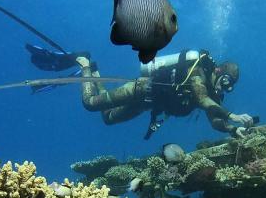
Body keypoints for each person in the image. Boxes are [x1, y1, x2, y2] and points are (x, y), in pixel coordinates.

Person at [75, 50, 255, 139]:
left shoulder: (212, 96)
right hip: (140, 89)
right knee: (90, 103)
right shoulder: (198, 71)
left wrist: (232, 129)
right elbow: (201, 99)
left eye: (230, 86)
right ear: (218, 70)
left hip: (147, 104)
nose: (225, 88)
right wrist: (233, 115)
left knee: (108, 118)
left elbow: (215, 120)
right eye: (226, 81)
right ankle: (84, 64)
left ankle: (95, 73)